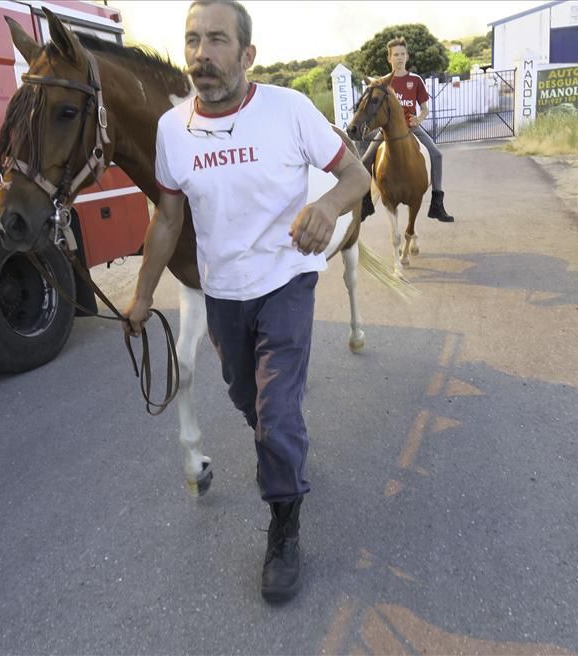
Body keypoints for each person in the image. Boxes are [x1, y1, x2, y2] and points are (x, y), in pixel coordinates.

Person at [123, 0, 370, 603]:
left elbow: (356, 177)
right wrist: (143, 292)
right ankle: (281, 448)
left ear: (247, 54)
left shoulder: (289, 111)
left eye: (216, 40)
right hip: (224, 296)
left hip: (286, 284)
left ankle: (284, 525)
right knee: (248, 400)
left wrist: (328, 207)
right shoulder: (171, 129)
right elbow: (168, 217)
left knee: (278, 413)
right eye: (191, 41)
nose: (201, 54)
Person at [360, 36, 455, 223]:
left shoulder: (416, 80)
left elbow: (425, 108)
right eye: (395, 54)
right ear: (389, 58)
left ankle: (437, 204)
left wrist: (419, 118)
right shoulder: (383, 83)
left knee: (436, 154)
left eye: (403, 54)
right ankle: (366, 203)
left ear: (407, 56)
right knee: (365, 160)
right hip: (387, 131)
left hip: (411, 128)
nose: (399, 57)